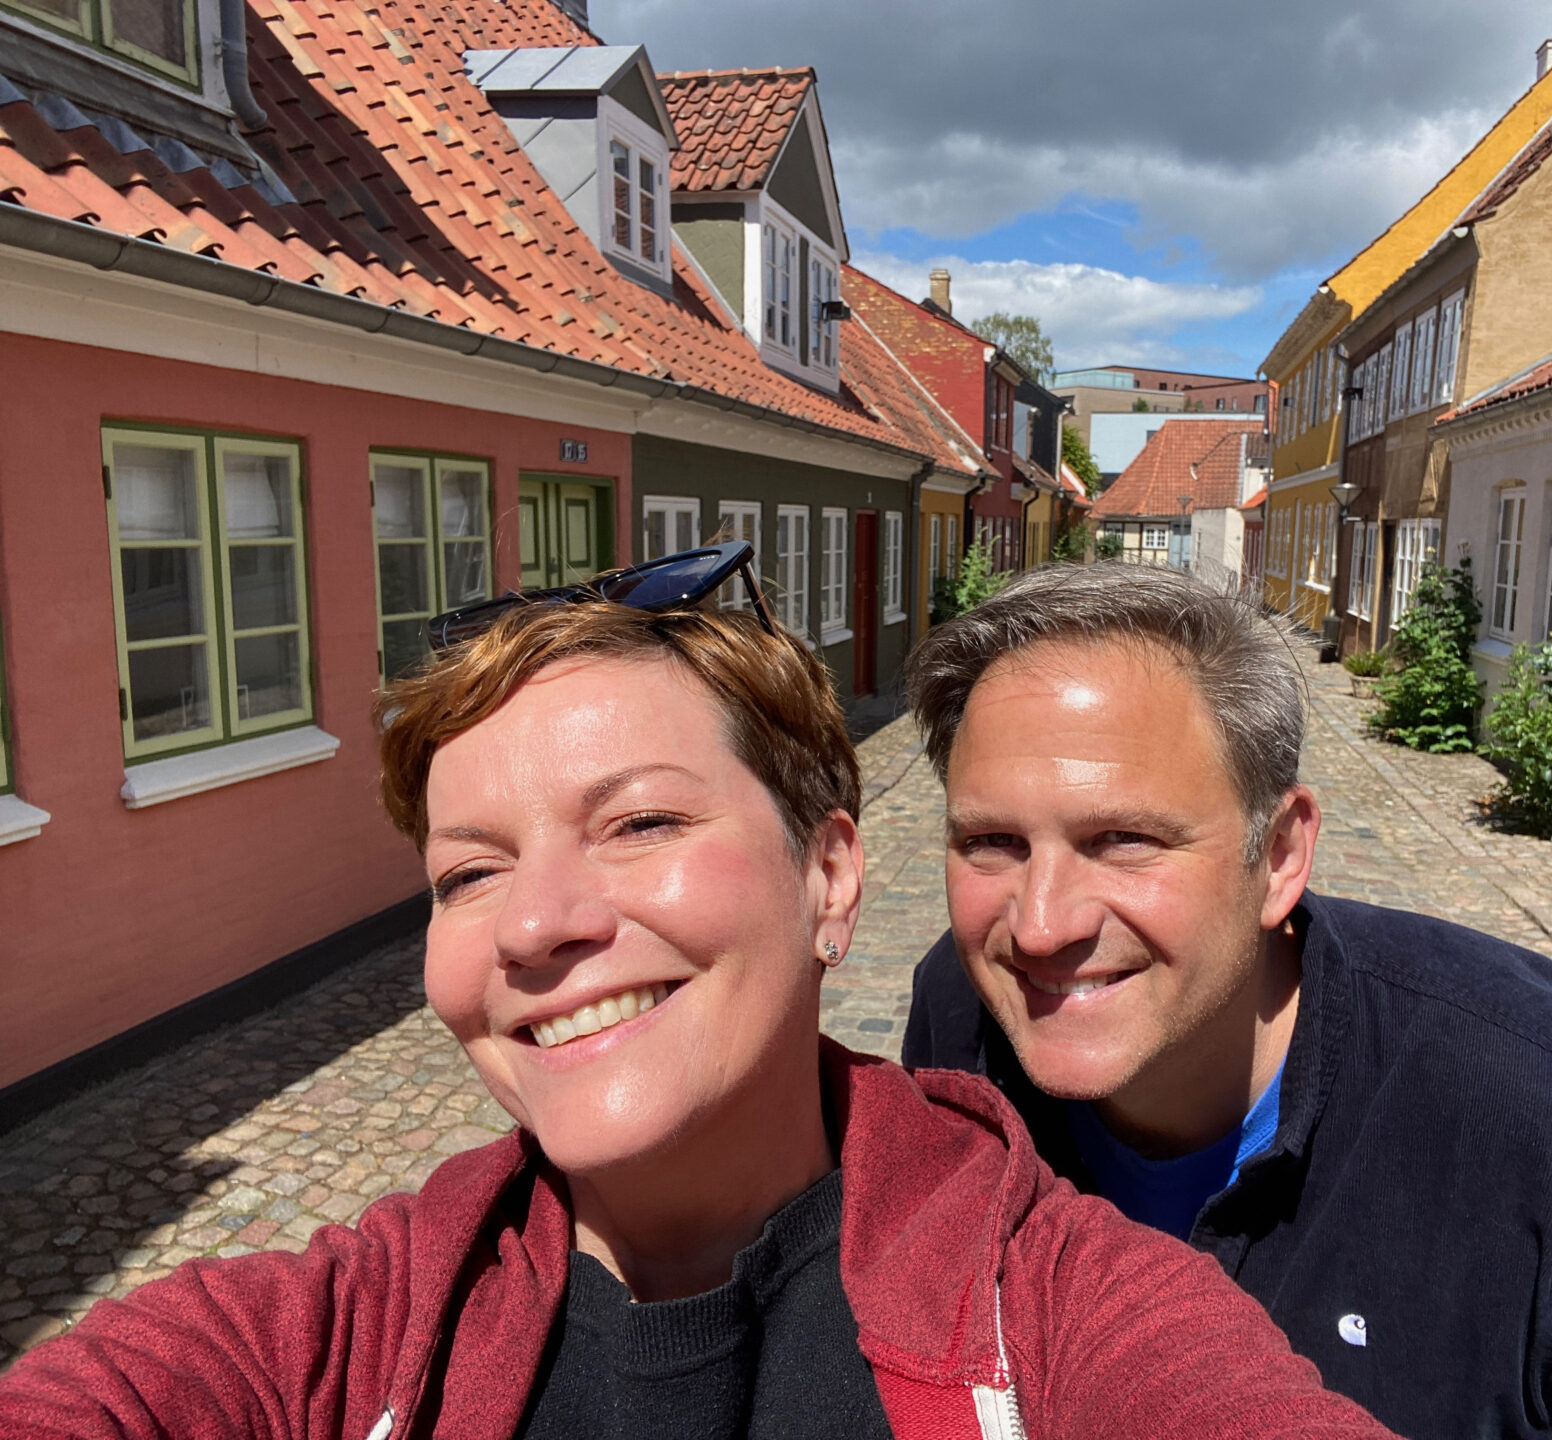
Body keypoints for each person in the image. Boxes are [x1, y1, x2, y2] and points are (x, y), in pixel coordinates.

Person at [1, 545, 1395, 1440]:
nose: (537, 925)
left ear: (830, 876)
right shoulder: (350, 1335)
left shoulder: (1047, 1307)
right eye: (468, 874)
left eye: (642, 824)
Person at [901, 561, 1552, 1440]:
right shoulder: (962, 1013)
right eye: (991, 841)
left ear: (1278, 856)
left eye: (1124, 839)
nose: (1039, 925)